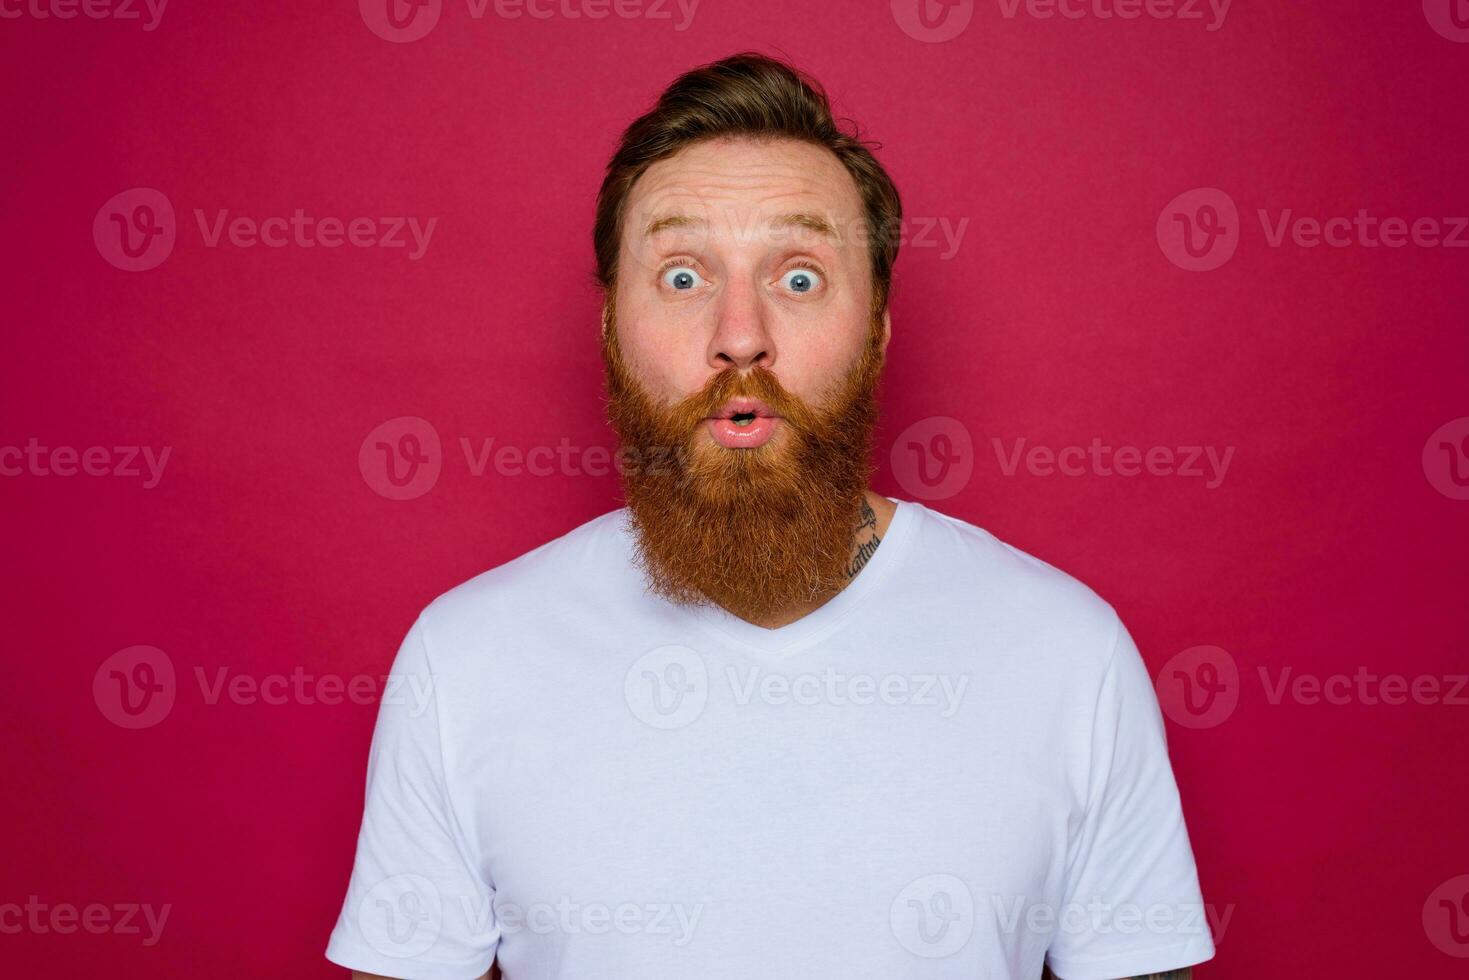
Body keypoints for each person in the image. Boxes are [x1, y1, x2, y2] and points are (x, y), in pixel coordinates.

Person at [325, 51, 1215, 980]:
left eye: (798, 278)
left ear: (876, 327)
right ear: (608, 326)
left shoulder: (1068, 654)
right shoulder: (464, 659)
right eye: (680, 277)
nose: (739, 335)